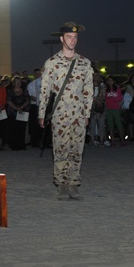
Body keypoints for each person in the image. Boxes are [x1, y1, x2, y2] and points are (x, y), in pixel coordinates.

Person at [38, 23, 94, 200]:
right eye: (69, 37)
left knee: (77, 149)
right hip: (59, 114)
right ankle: (61, 184)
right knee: (60, 149)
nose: (73, 40)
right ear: (62, 39)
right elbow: (45, 91)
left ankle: (73, 183)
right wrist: (41, 114)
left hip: (78, 114)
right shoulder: (52, 63)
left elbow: (89, 90)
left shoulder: (85, 63)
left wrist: (87, 114)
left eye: (75, 37)